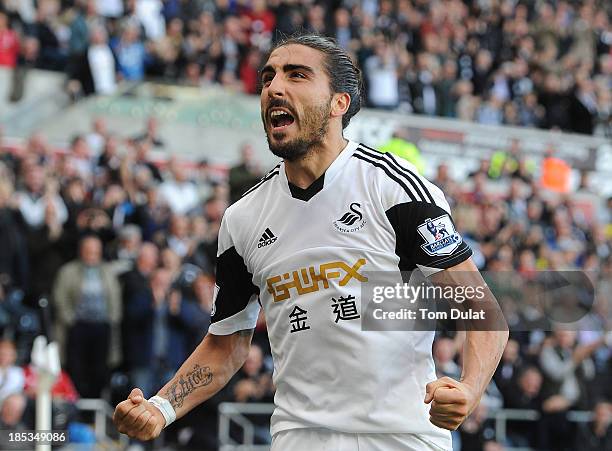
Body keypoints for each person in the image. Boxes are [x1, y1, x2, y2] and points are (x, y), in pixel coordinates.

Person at [113, 34, 508, 450]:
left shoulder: (393, 189)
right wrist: (161, 406)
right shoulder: (242, 219)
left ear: (339, 103)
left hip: (401, 437)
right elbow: (227, 343)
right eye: (268, 78)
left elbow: (480, 306)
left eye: (296, 75)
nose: (274, 88)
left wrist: (469, 388)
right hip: (299, 439)